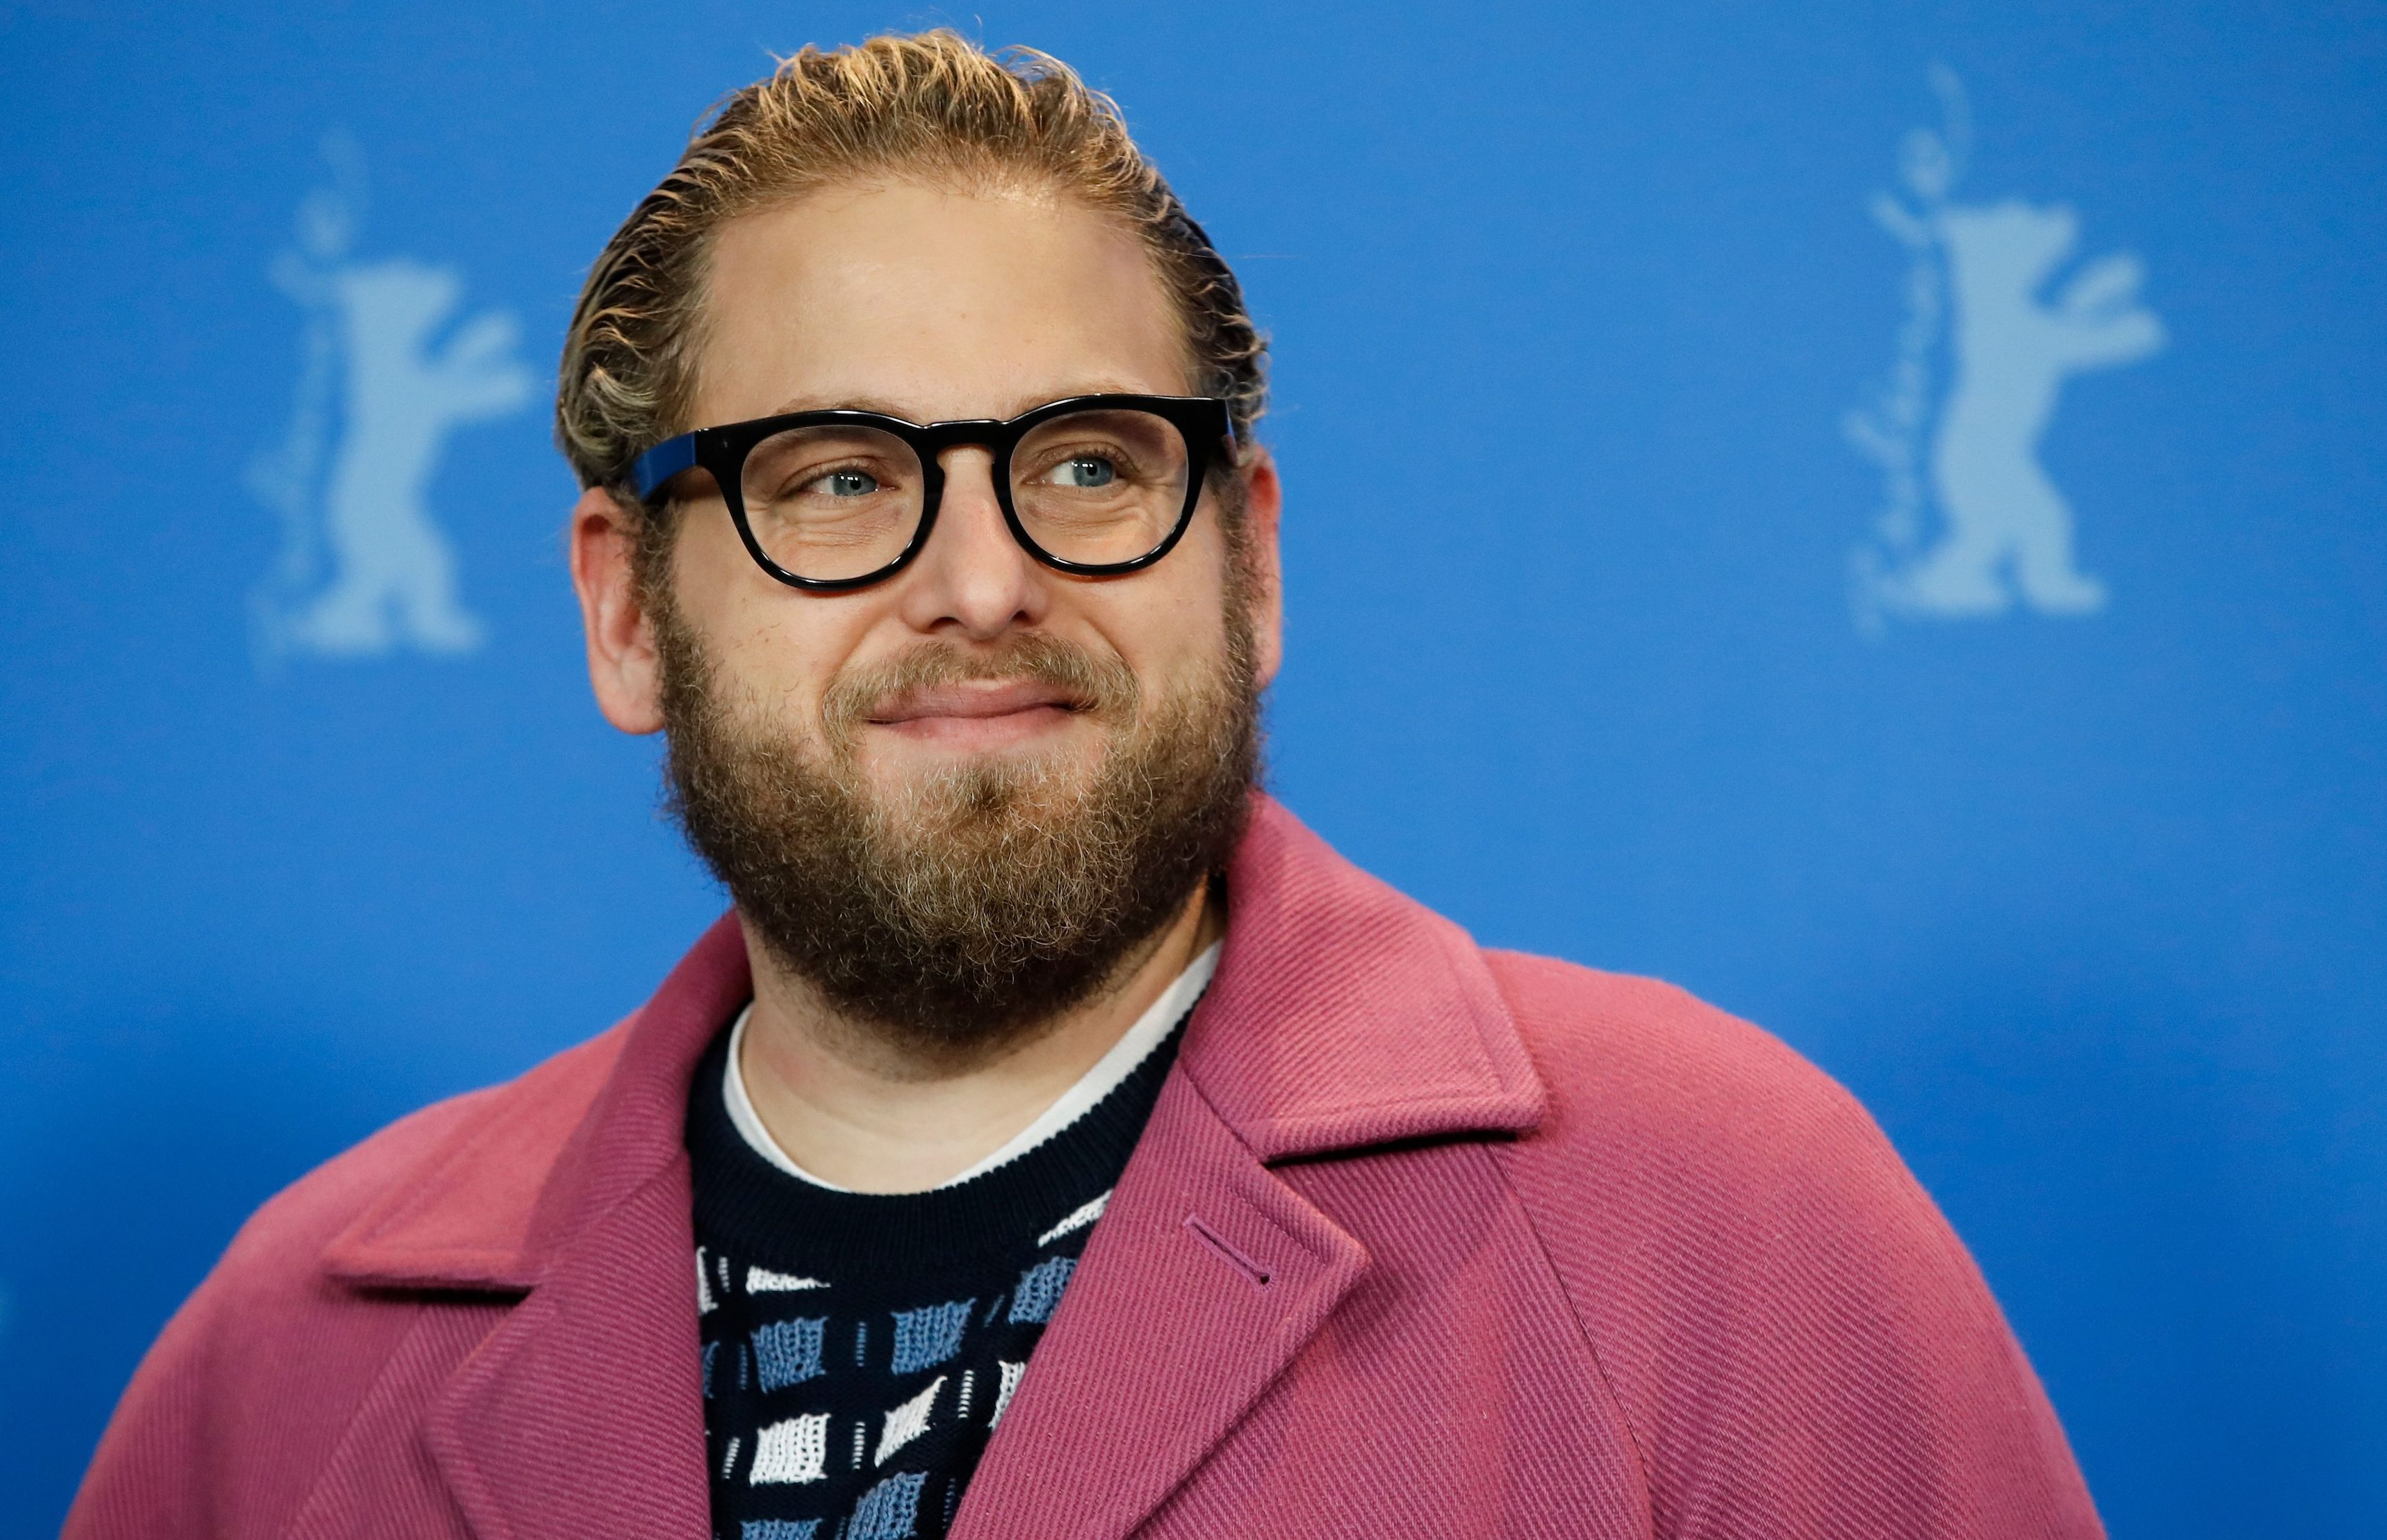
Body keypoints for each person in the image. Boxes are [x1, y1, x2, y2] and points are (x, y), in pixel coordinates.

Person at [66, 32, 2103, 1540]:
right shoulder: (286, 1361)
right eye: (838, 480)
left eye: (1091, 463)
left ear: (1251, 559)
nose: (981, 582)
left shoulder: (1713, 1223)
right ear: (622, 613)